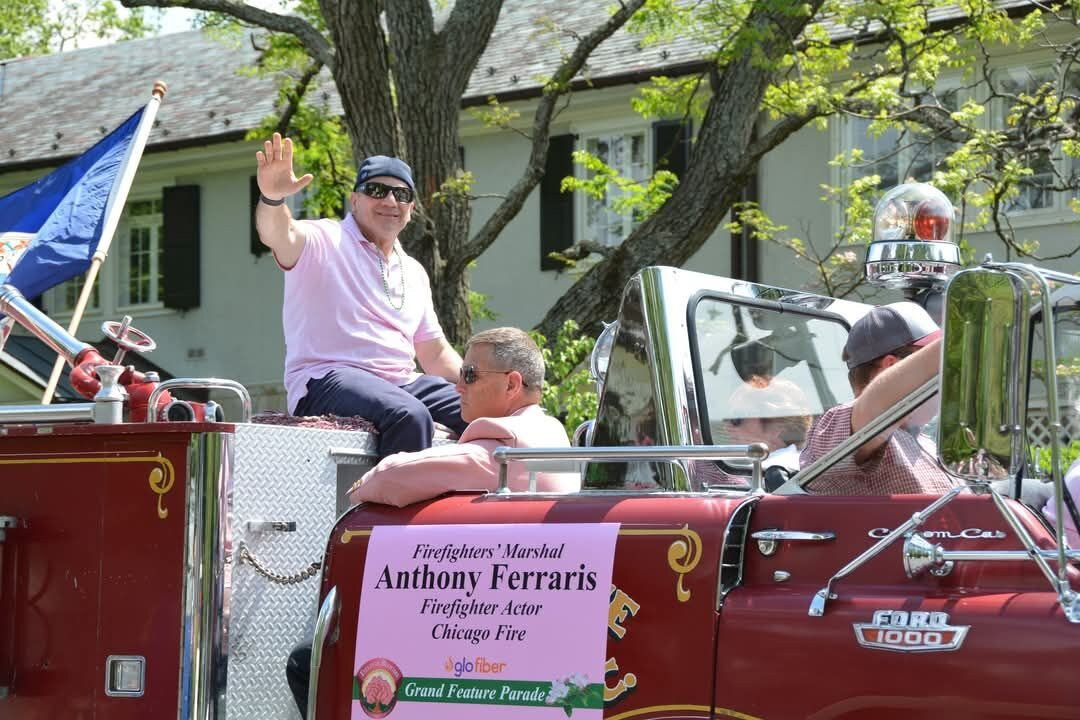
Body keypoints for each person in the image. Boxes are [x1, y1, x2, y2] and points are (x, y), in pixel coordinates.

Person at [254, 132, 466, 457]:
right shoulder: (324, 238)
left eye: (401, 194)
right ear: (355, 200)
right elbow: (278, 233)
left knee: (483, 411)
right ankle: (388, 510)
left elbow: (435, 355)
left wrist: (485, 382)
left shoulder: (413, 271)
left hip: (401, 382)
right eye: (377, 191)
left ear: (411, 207)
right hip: (326, 378)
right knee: (409, 416)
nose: (390, 201)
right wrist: (272, 198)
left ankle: (472, 508)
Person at [347, 327, 580, 506]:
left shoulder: (505, 447)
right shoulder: (551, 432)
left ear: (511, 384)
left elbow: (388, 477)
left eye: (470, 375)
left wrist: (356, 488)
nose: (458, 387)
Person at [799, 301, 957, 495]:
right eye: (935, 362)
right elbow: (874, 405)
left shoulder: (928, 438)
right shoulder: (838, 423)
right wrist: (965, 336)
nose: (949, 371)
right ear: (891, 366)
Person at [725, 377, 812, 476]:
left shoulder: (770, 472)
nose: (727, 427)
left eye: (736, 418)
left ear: (776, 424)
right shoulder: (802, 466)